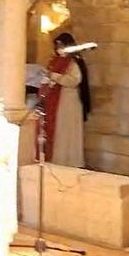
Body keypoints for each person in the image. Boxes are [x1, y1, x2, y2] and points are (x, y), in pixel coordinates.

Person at [36, 32, 91, 168]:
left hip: (69, 100)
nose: (59, 48)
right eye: (57, 45)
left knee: (67, 131)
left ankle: (69, 161)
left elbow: (75, 80)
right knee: (59, 131)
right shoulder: (55, 60)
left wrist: (55, 77)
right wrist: (47, 79)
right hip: (56, 99)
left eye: (61, 45)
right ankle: (57, 159)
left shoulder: (74, 61)